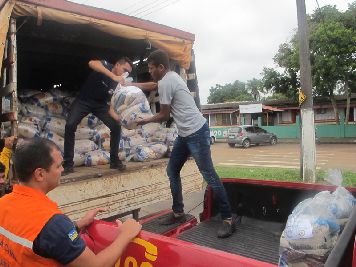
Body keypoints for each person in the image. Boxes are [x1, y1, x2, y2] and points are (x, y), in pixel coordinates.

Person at [137, 50, 235, 238]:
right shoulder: (170, 76)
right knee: (172, 171)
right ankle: (178, 212)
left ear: (161, 67)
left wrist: (142, 121)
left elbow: (164, 115)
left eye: (151, 68)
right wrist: (132, 84)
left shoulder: (166, 82)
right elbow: (152, 84)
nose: (150, 71)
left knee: (209, 175)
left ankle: (228, 219)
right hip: (185, 134)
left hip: (196, 132)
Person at [0, 138, 141, 266]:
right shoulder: (52, 223)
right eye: (58, 166)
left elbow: (42, 241)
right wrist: (126, 234)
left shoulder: (4, 203)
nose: (62, 169)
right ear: (40, 174)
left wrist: (76, 226)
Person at [63, 58, 133, 175]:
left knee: (116, 127)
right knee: (70, 125)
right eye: (124, 69)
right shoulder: (106, 65)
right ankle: (68, 164)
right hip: (83, 101)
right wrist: (112, 76)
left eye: (128, 72)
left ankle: (114, 161)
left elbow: (111, 106)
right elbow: (91, 63)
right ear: (116, 65)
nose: (125, 73)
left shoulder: (119, 83)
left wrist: (118, 118)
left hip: (100, 105)